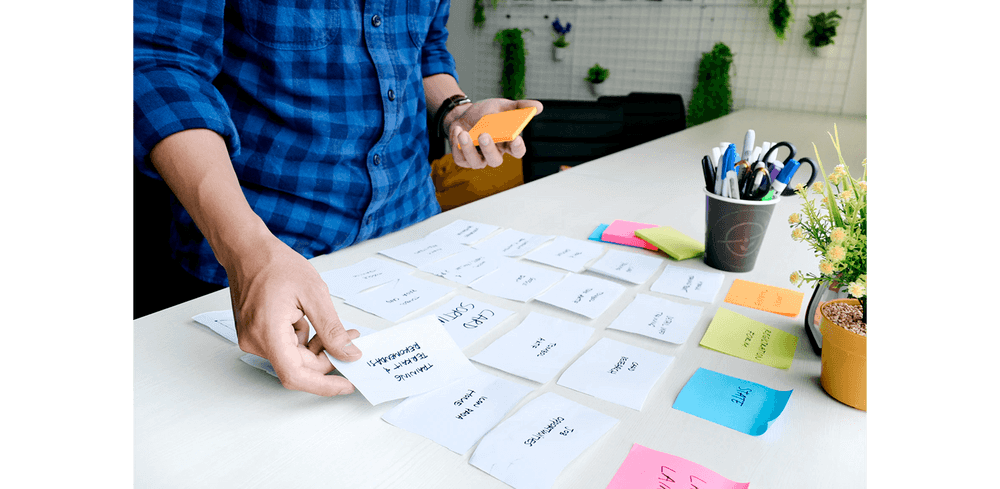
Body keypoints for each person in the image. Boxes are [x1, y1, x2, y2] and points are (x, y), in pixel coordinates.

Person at [133, 1, 542, 396]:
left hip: (409, 232)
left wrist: (456, 110)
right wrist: (246, 251)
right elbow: (158, 65)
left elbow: (426, 47)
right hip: (263, 252)